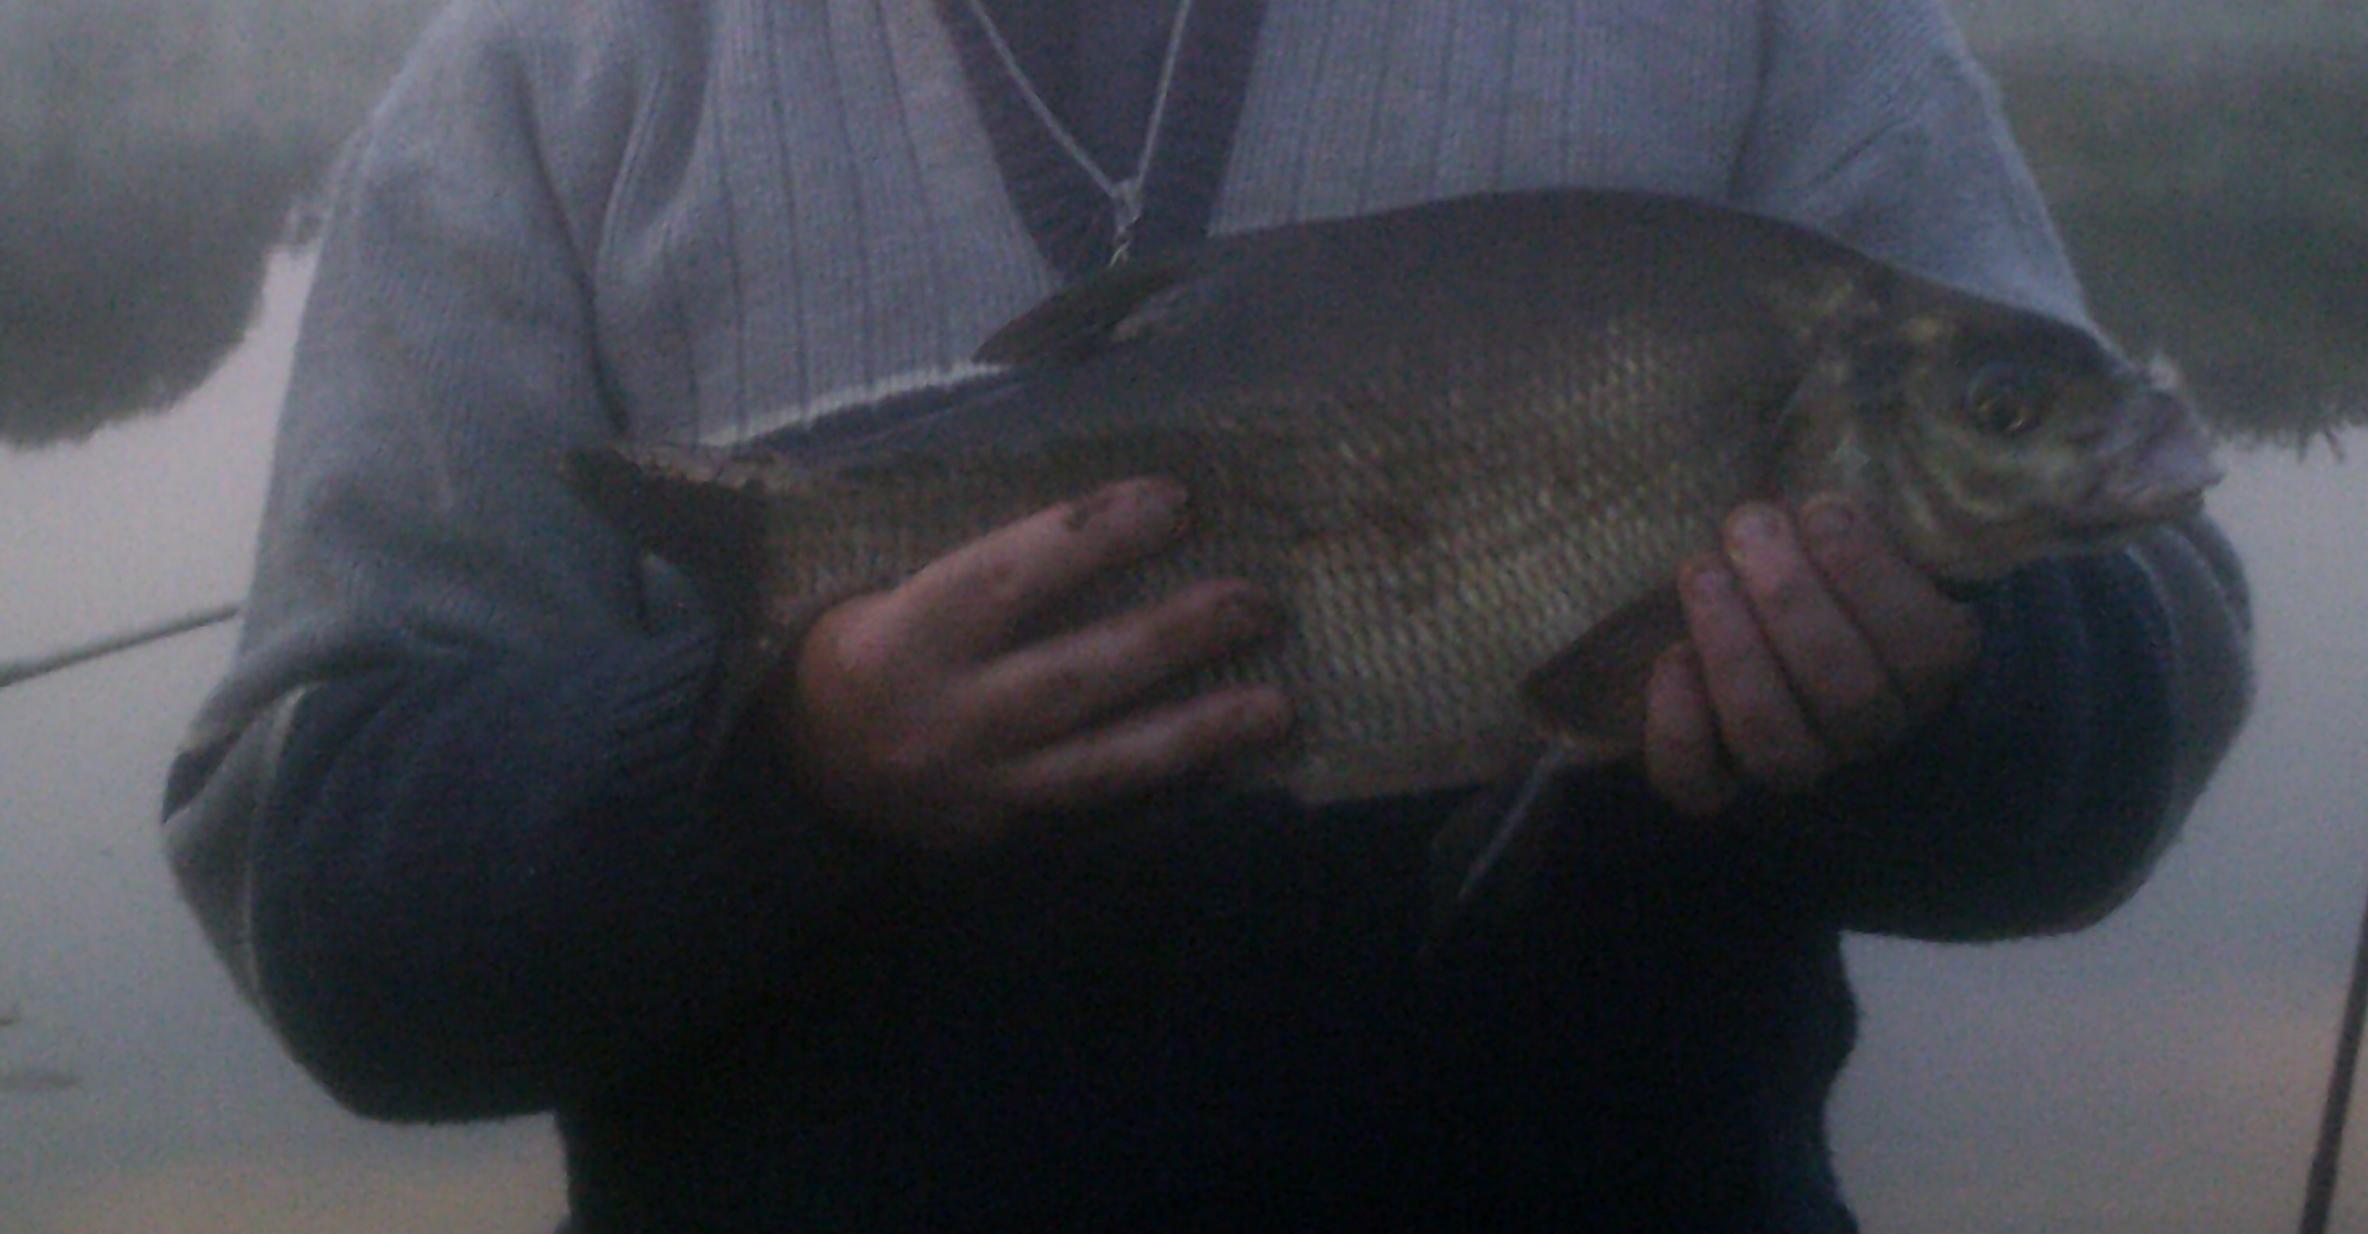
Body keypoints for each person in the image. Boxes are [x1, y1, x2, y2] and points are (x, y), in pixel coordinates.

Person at [165, 0, 2252, 1229]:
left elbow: (2151, 657)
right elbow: (330, 894)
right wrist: (781, 766)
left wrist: (1941, 699)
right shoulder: (545, 73)